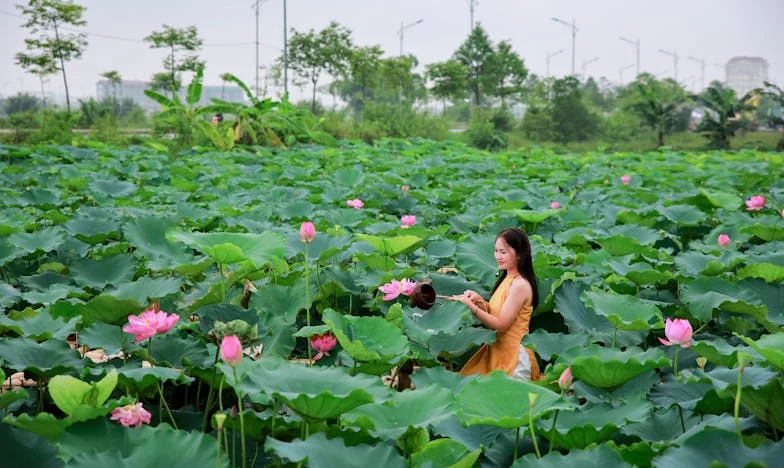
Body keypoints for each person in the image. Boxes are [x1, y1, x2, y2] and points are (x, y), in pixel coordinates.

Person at [451, 227, 540, 381]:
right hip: (497, 351)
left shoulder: (520, 284)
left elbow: (501, 324)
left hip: (514, 358)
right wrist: (479, 301)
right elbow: (497, 313)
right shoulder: (507, 278)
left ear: (519, 254)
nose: (498, 256)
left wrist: (473, 308)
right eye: (496, 251)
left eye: (503, 252)